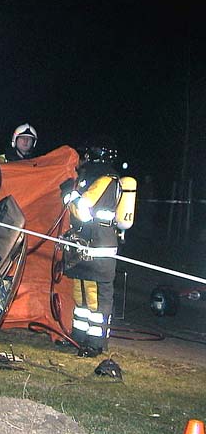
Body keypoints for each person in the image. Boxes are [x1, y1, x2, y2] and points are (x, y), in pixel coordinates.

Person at [60, 146, 136, 357]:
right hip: (86, 245)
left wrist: (69, 194)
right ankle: (78, 337)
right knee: (80, 295)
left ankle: (95, 343)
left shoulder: (105, 180)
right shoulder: (92, 177)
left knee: (95, 299)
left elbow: (82, 211)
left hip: (99, 248)